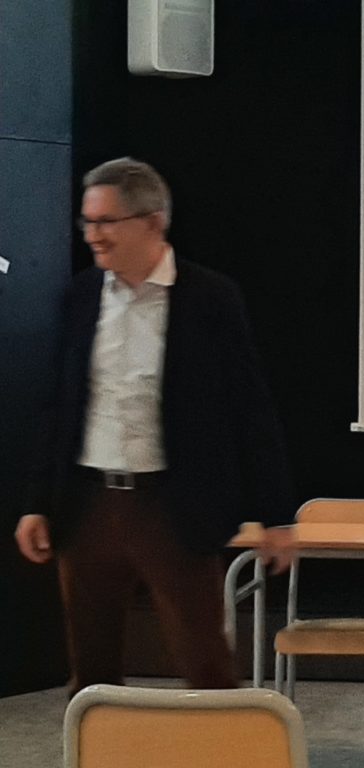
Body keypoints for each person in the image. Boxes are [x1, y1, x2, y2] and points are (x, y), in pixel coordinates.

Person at [14, 157, 293, 694]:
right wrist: (36, 502)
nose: (93, 235)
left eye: (106, 222)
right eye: (87, 221)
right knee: (92, 675)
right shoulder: (81, 296)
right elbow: (57, 407)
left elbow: (250, 409)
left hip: (172, 505)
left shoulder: (209, 297)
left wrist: (277, 516)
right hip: (88, 503)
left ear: (152, 222)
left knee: (206, 666)